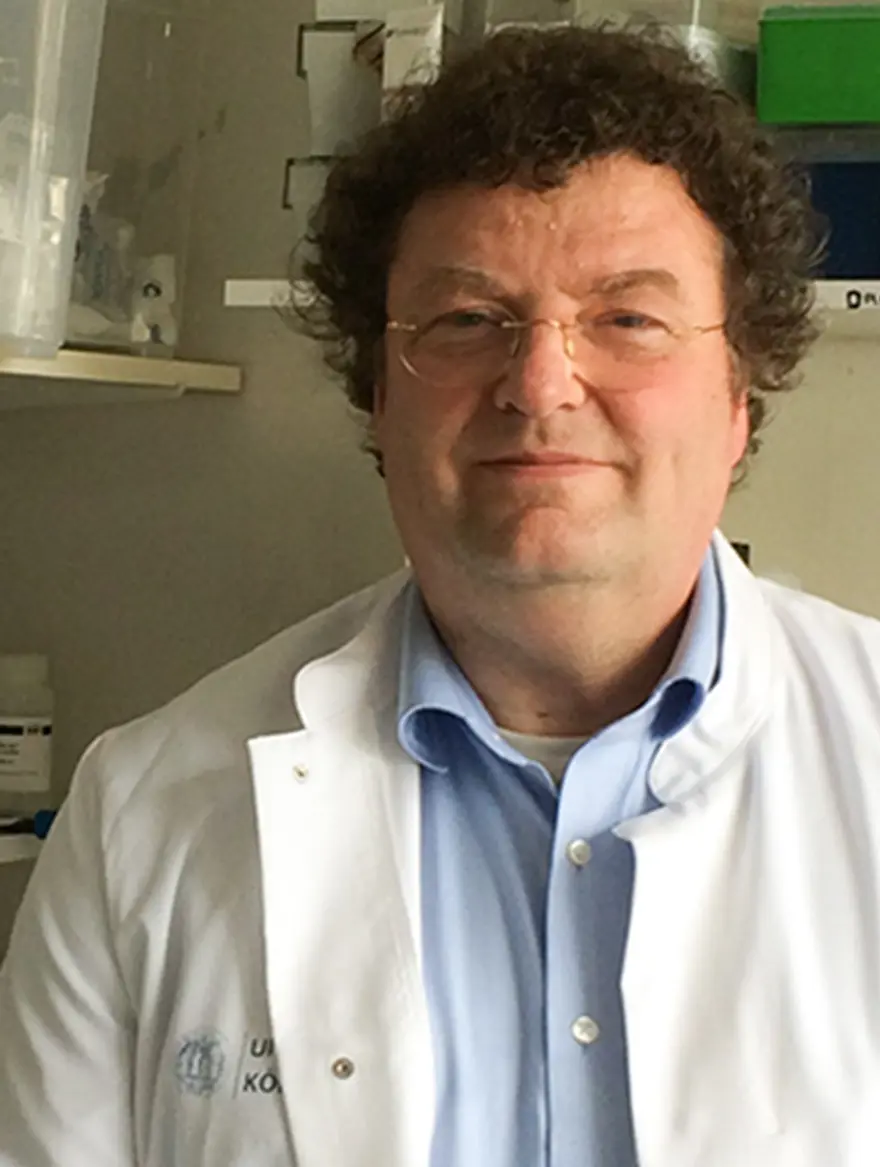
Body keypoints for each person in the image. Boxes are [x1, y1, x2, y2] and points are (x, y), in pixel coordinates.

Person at [2, 21, 875, 1167]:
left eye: (627, 318)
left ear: (737, 396)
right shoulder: (144, 813)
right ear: (378, 393)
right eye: (467, 321)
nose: (540, 383)